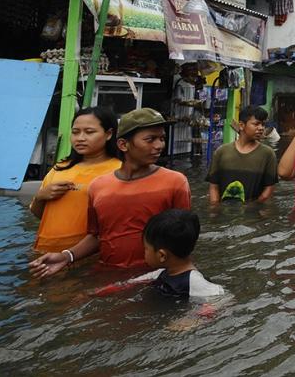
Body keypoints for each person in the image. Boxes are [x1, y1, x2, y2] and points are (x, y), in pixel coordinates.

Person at [29, 108, 191, 276]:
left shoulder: (175, 182)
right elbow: (98, 236)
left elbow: (183, 239)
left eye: (162, 139)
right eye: (150, 139)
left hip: (152, 277)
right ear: (123, 144)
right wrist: (67, 256)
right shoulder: (98, 185)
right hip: (103, 272)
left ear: (108, 135)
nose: (159, 146)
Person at [31, 107, 123, 253]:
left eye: (89, 132)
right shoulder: (60, 168)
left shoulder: (119, 171)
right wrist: (40, 197)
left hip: (84, 256)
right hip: (42, 251)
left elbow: (117, 225)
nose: (80, 138)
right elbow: (39, 215)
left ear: (109, 134)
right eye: (75, 132)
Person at [94, 209, 224, 299]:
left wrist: (192, 319)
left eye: (146, 249)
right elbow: (130, 283)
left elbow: (221, 298)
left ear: (162, 255)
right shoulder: (162, 273)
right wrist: (100, 291)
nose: (144, 252)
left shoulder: (193, 280)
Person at [207, 105, 278, 204]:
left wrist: (251, 209)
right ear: (241, 125)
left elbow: (269, 189)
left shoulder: (268, 154)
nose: (261, 128)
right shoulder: (221, 152)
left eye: (263, 124)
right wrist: (215, 209)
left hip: (252, 214)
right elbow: (214, 186)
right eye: (256, 124)